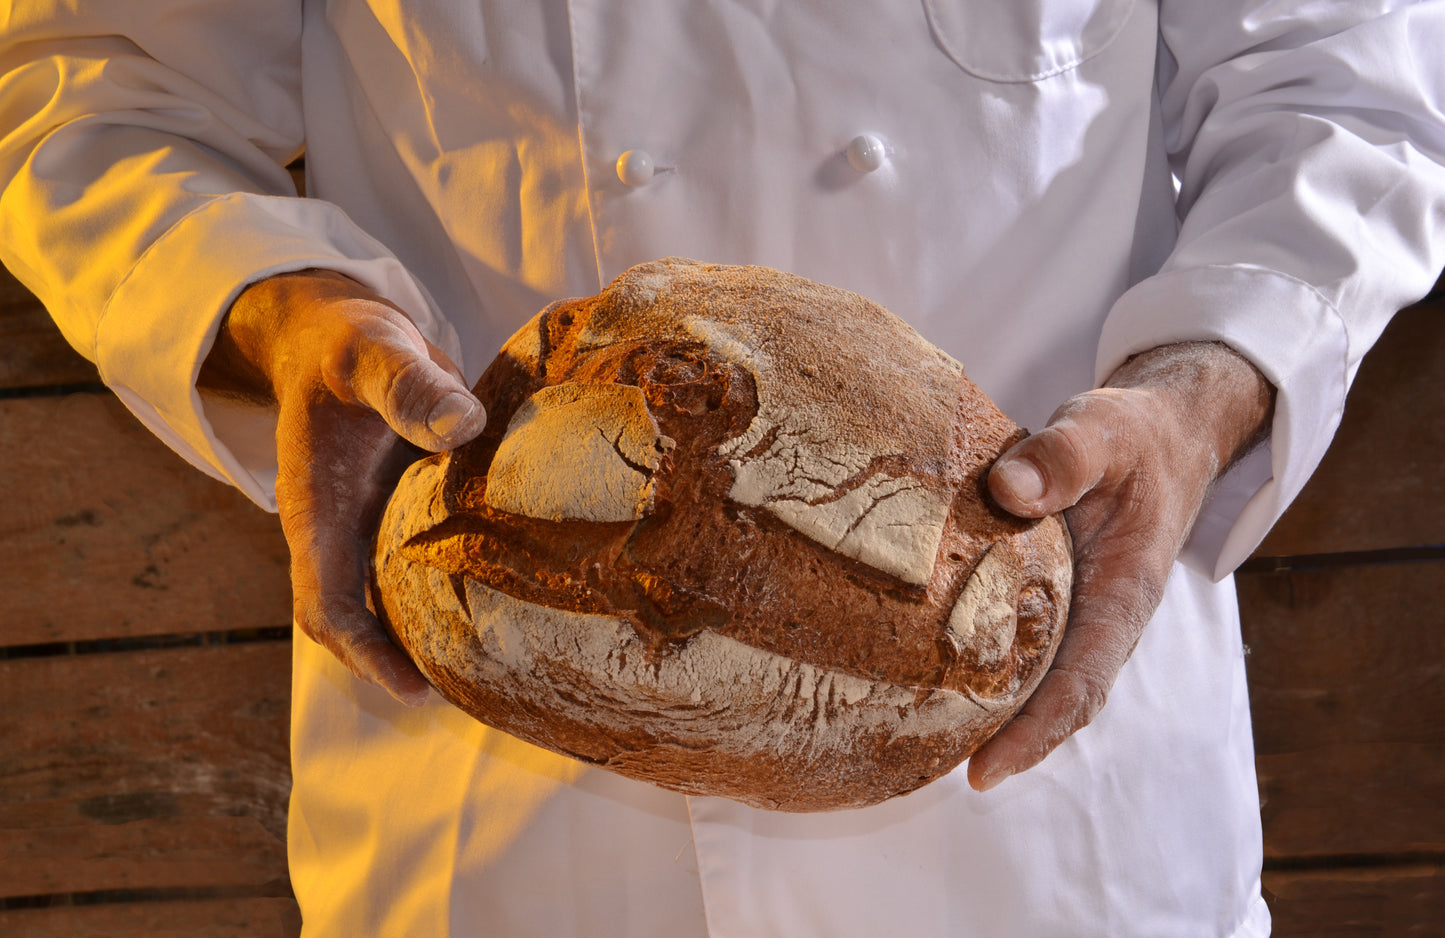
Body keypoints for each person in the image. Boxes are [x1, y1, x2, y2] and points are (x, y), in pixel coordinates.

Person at [2, 2, 1443, 935]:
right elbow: (90, 89)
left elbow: (1350, 90)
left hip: (1046, 828)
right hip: (506, 824)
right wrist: (284, 302)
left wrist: (1197, 398)